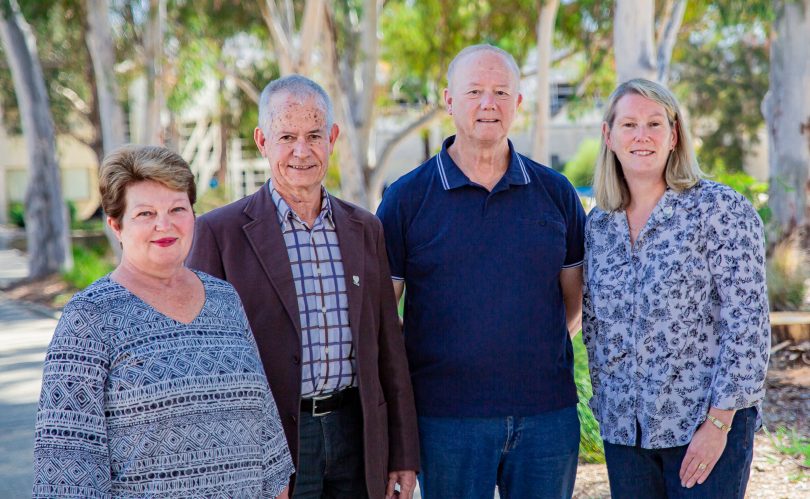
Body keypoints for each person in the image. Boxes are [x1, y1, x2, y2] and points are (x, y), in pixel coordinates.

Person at [186, 75, 419, 499]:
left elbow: (389, 347)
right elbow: (203, 367)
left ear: (332, 137)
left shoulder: (366, 228)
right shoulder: (219, 234)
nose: (301, 150)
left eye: (314, 135)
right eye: (286, 136)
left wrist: (402, 453)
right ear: (262, 141)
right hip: (272, 441)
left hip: (357, 432)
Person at [376, 44, 585, 498]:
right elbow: (381, 318)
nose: (488, 104)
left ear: (518, 103)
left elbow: (574, 301)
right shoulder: (406, 199)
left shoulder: (556, 192)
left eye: (500, 92)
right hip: (445, 421)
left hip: (546, 418)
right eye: (474, 91)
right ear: (449, 100)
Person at [33, 145, 294, 498]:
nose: (164, 225)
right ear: (116, 225)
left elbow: (265, 432)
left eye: (177, 209)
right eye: (145, 213)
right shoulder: (90, 317)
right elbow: (66, 468)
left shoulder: (225, 300)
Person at [582, 78, 770, 498]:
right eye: (629, 124)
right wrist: (605, 410)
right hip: (624, 435)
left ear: (674, 135)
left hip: (703, 429)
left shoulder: (719, 209)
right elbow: (595, 329)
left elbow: (749, 326)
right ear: (609, 136)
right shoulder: (598, 226)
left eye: (654, 123)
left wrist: (719, 424)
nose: (642, 135)